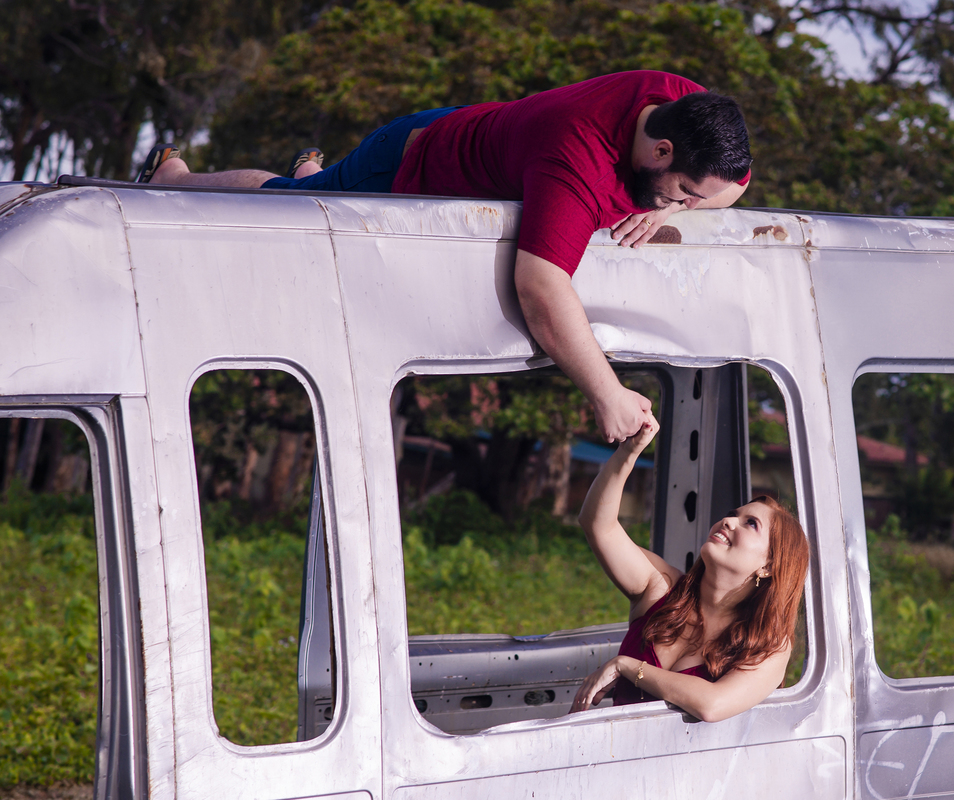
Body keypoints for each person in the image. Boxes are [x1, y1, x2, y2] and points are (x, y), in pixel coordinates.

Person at [137, 72, 753, 444]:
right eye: (683, 189)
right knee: (289, 205)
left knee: (320, 189)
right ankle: (175, 177)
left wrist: (675, 209)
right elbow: (540, 287)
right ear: (663, 149)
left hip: (475, 134)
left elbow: (737, 185)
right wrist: (607, 392)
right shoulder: (575, 158)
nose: (690, 201)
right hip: (408, 161)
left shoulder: (683, 106)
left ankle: (319, 172)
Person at [569, 416, 808, 722]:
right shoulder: (662, 587)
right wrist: (630, 451)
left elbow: (713, 705)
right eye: (733, 514)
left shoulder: (768, 644)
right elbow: (598, 525)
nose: (728, 521)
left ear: (770, 566)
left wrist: (626, 666)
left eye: (751, 524)